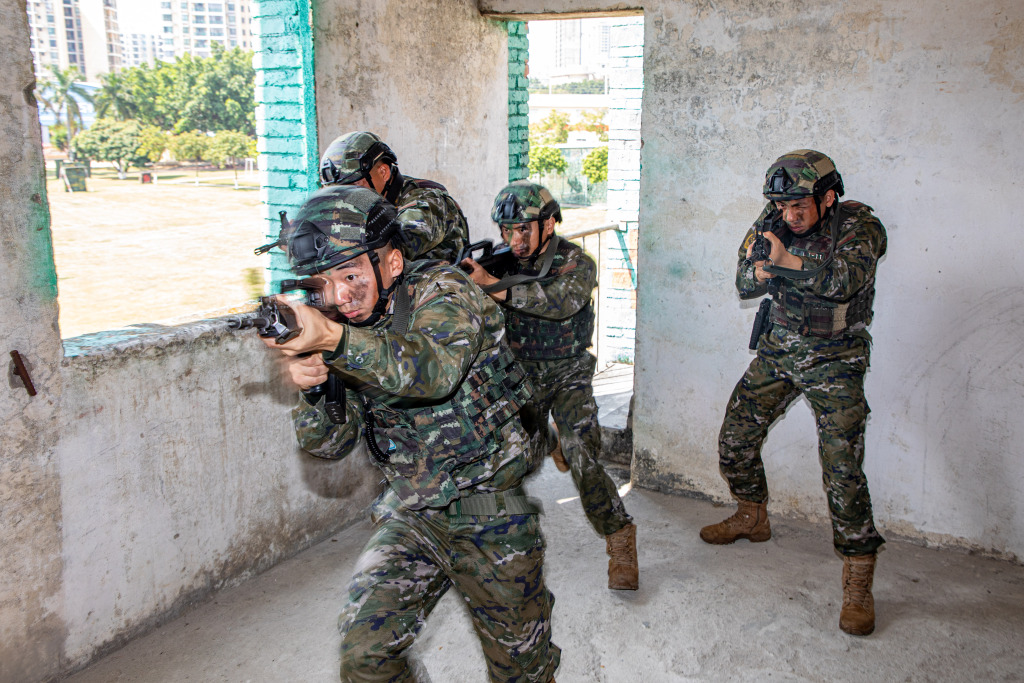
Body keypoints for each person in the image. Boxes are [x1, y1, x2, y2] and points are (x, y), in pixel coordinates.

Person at [260, 184, 560, 681]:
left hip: (491, 512)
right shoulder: (343, 327)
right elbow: (329, 445)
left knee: (523, 673)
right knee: (365, 658)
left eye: (350, 274)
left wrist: (333, 339)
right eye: (323, 283)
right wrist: (314, 387)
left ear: (392, 264)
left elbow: (432, 371)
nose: (338, 296)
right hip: (413, 509)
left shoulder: (443, 290)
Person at [700, 149, 887, 636]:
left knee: (842, 467)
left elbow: (846, 280)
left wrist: (787, 261)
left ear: (827, 197)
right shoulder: (773, 219)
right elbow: (742, 280)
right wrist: (760, 271)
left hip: (836, 359)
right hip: (779, 351)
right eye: (783, 207)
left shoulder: (860, 224)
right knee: (735, 439)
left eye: (800, 206)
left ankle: (858, 576)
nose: (790, 216)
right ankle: (751, 514)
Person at [462, 180, 639, 592]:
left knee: (583, 456)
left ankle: (619, 536)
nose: (515, 239)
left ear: (549, 223)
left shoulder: (577, 262)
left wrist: (494, 287)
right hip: (519, 373)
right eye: (508, 230)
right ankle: (497, 548)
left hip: (568, 372)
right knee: (499, 457)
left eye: (524, 229)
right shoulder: (501, 263)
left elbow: (559, 304)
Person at [318, 130, 469, 264]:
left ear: (383, 172)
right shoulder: (367, 206)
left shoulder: (427, 201)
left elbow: (392, 245)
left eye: (354, 187)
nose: (348, 199)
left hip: (437, 290)